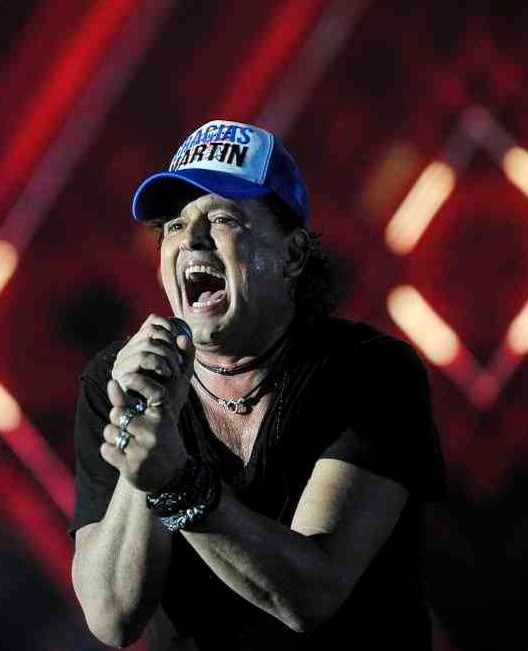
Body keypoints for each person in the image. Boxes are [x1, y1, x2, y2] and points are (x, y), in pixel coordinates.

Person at [70, 119, 447, 650]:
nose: (192, 238)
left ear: (292, 256)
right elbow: (112, 619)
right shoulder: (116, 382)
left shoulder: (368, 374)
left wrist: (176, 484)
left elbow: (309, 596)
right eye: (174, 226)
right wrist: (147, 434)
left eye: (222, 217)